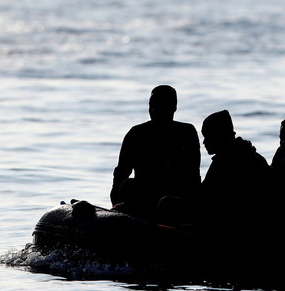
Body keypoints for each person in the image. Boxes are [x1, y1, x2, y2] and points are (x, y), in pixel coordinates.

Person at [110, 85, 200, 219]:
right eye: (151, 105)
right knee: (127, 185)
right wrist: (116, 209)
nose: (154, 110)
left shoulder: (186, 133)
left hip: (174, 202)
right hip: (143, 200)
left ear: (174, 107)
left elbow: (193, 177)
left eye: (160, 106)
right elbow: (120, 176)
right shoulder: (136, 134)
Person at [198, 110, 271, 249]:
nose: (204, 142)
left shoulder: (224, 163)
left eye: (208, 136)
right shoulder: (251, 157)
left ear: (220, 135)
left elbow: (206, 199)